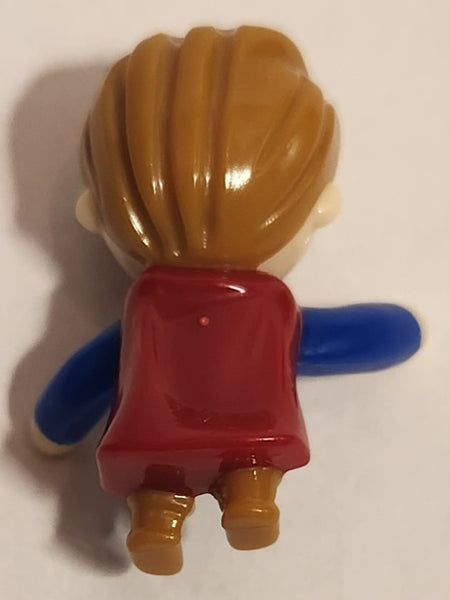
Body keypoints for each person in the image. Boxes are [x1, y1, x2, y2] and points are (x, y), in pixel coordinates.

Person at [31, 26, 421, 575]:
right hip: (251, 429)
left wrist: (51, 428)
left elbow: (86, 379)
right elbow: (362, 337)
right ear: (321, 208)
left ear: (93, 213)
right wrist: (398, 332)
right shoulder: (266, 307)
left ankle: (156, 522)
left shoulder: (147, 308)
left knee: (155, 478)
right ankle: (250, 500)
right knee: (252, 464)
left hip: (152, 432)